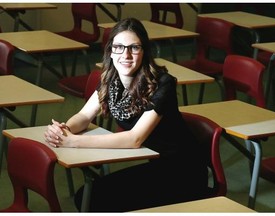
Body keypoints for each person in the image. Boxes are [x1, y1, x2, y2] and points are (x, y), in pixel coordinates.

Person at [44, 17, 208, 212]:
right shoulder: (111, 81)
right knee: (89, 198)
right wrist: (65, 129)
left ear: (144, 51)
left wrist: (73, 142)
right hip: (157, 163)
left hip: (183, 171)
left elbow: (134, 139)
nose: (126, 54)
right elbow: (84, 116)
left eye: (134, 47)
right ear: (110, 52)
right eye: (119, 47)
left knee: (95, 200)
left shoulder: (162, 84)